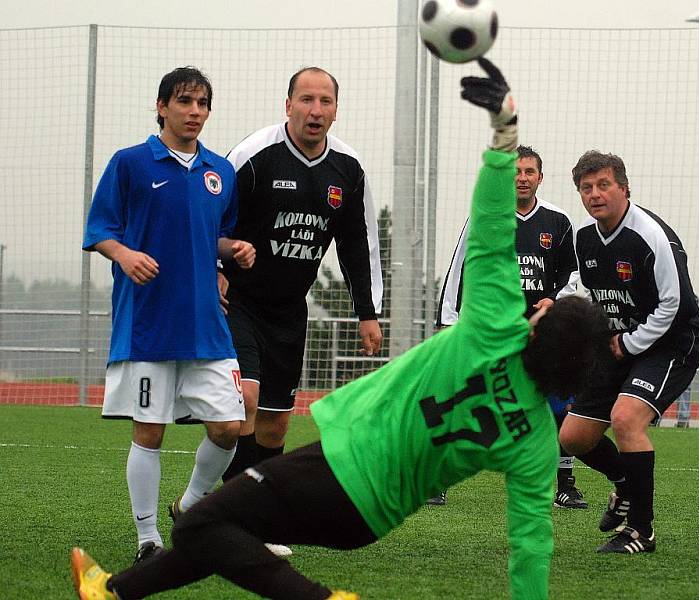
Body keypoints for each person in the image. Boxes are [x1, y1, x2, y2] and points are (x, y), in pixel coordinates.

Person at [71, 58, 611, 600]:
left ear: (536, 327)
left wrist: (504, 135)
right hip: (374, 519)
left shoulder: (493, 327)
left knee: (197, 525)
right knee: (225, 528)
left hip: (343, 465)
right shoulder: (539, 439)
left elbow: (492, 228)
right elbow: (531, 541)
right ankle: (113, 592)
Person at [81, 66, 256, 565]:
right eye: (184, 102)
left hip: (207, 325)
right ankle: (148, 539)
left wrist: (234, 249)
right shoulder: (131, 163)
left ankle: (191, 507)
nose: (194, 112)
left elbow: (213, 236)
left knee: (229, 425)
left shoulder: (219, 172)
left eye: (202, 103)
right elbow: (100, 230)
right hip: (150, 325)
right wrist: (124, 254)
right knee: (150, 431)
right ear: (162, 106)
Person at [214, 67, 384, 505]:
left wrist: (368, 312)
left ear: (335, 111)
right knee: (244, 401)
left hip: (290, 310)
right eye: (306, 100)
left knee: (275, 424)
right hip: (237, 302)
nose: (315, 110)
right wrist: (215, 265)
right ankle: (234, 513)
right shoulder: (254, 154)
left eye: (324, 102)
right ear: (287, 105)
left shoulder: (348, 169)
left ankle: (221, 509)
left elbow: (356, 243)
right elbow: (211, 216)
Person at [557, 150, 699, 553]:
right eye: (586, 188)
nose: (595, 194)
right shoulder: (585, 238)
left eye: (604, 185)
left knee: (626, 419)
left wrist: (628, 343)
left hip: (672, 342)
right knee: (573, 437)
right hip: (618, 342)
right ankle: (624, 485)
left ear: (624, 188)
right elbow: (591, 294)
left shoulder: (651, 235)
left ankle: (641, 530)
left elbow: (673, 305)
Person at [433, 144, 586, 509]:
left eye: (529, 172)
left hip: (542, 332)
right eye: (516, 171)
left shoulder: (558, 221)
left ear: (540, 178)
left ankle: (565, 482)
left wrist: (557, 302)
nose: (522, 178)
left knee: (558, 405)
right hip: (493, 330)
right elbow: (461, 270)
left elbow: (574, 275)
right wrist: (448, 321)